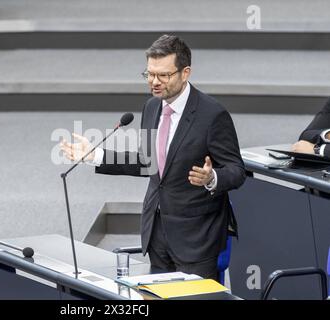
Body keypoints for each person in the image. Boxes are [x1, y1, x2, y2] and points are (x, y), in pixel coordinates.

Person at [60, 35, 246, 280]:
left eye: (163, 75)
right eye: (149, 74)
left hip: (196, 239)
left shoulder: (212, 115)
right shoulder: (152, 107)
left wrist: (211, 177)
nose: (154, 82)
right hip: (156, 233)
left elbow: (237, 170)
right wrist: (95, 155)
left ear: (185, 72)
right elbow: (148, 162)